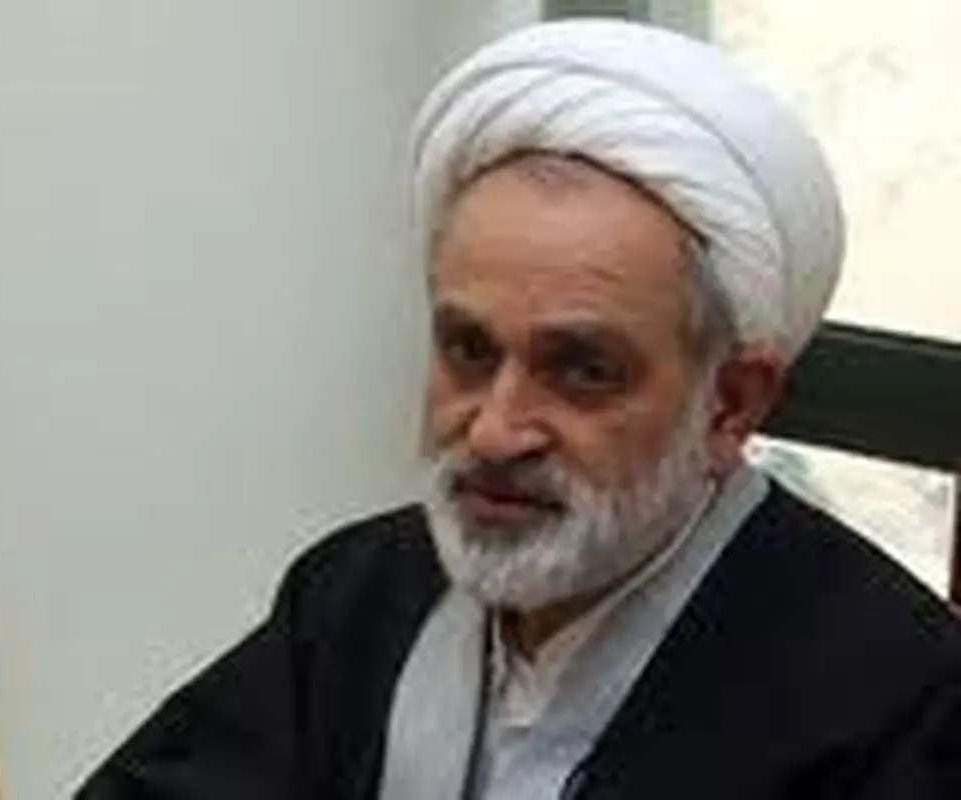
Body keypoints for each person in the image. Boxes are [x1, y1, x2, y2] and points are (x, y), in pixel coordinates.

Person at [78, 19, 960, 799]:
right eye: (468, 350)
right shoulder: (357, 595)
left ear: (729, 405)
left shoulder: (896, 703)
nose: (496, 430)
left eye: (582, 370)